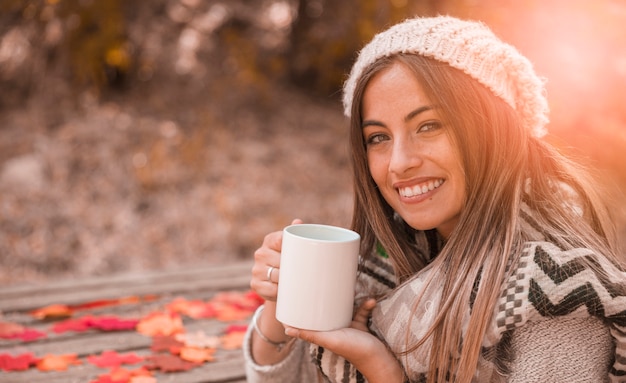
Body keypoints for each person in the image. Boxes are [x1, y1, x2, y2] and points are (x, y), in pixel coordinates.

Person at [243, 15, 626, 383]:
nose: (399, 163)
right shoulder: (395, 263)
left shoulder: (558, 301)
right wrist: (281, 305)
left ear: (495, 132)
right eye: (378, 137)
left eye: (428, 126)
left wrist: (383, 371)